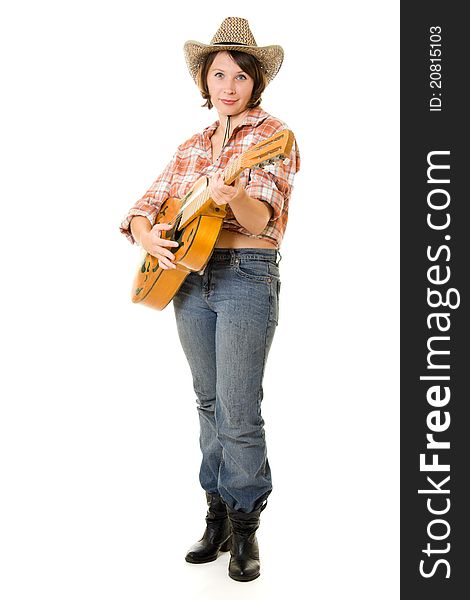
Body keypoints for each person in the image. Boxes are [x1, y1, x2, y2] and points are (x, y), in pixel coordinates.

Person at [119, 17, 300, 582]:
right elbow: (146, 206)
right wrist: (147, 232)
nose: (228, 86)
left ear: (255, 84)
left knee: (238, 406)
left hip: (246, 272)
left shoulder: (274, 136)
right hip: (188, 280)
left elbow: (264, 220)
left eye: (240, 77)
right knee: (207, 400)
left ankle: (246, 524)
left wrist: (236, 194)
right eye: (218, 75)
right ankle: (216, 512)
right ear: (205, 80)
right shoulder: (192, 145)